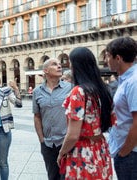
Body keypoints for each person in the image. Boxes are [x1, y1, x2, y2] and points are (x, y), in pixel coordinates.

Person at [57, 47, 116, 179]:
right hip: (100, 149)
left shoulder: (79, 92)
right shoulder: (103, 90)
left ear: (76, 66)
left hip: (83, 152)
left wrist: (62, 152)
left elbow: (73, 135)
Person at [32, 58, 72, 180]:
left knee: (66, 177)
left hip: (66, 142)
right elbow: (37, 116)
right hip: (48, 144)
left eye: (60, 64)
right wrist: (42, 140)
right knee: (52, 176)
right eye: (55, 65)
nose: (59, 66)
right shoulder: (37, 91)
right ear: (46, 70)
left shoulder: (70, 88)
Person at [106, 36, 137, 180]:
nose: (106, 61)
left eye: (108, 56)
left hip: (131, 153)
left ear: (117, 58)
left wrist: (124, 152)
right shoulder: (126, 79)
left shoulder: (133, 81)